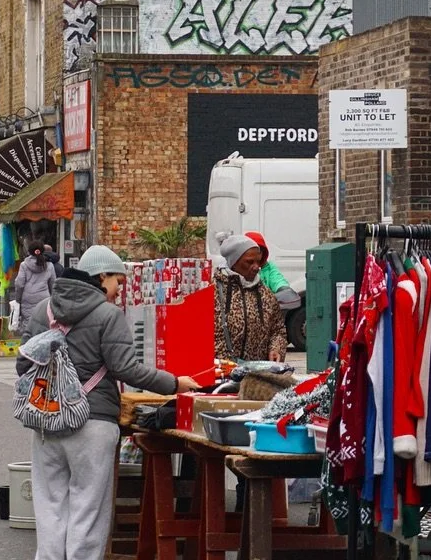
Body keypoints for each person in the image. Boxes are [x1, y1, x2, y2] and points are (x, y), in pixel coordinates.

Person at [16, 245, 201, 560]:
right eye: (117, 280)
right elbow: (125, 369)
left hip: (46, 422)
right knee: (88, 506)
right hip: (93, 422)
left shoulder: (42, 310)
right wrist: (174, 383)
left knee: (49, 505)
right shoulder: (107, 314)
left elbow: (23, 365)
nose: (120, 289)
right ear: (101, 276)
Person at [214, 234, 289, 363]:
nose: (256, 267)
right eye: (249, 262)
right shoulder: (212, 293)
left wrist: (277, 348)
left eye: (258, 261)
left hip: (256, 377)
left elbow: (278, 331)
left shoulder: (266, 294)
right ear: (234, 262)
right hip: (221, 376)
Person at [11, 240, 55, 331]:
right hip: (45, 300)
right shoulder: (49, 265)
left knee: (28, 326)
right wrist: (52, 298)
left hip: (27, 300)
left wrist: (18, 299)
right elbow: (53, 284)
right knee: (44, 325)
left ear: (29, 251)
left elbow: (19, 284)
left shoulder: (24, 265)